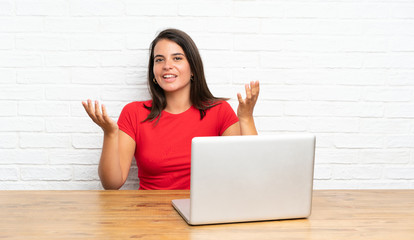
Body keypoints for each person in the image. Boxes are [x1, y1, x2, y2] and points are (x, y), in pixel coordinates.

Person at [82, 29, 259, 190]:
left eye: (177, 58)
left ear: (193, 69)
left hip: (205, 212)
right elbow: (111, 184)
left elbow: (249, 172)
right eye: (159, 60)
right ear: (153, 72)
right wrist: (110, 134)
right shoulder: (134, 113)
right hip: (150, 216)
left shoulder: (220, 111)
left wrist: (246, 118)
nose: (167, 65)